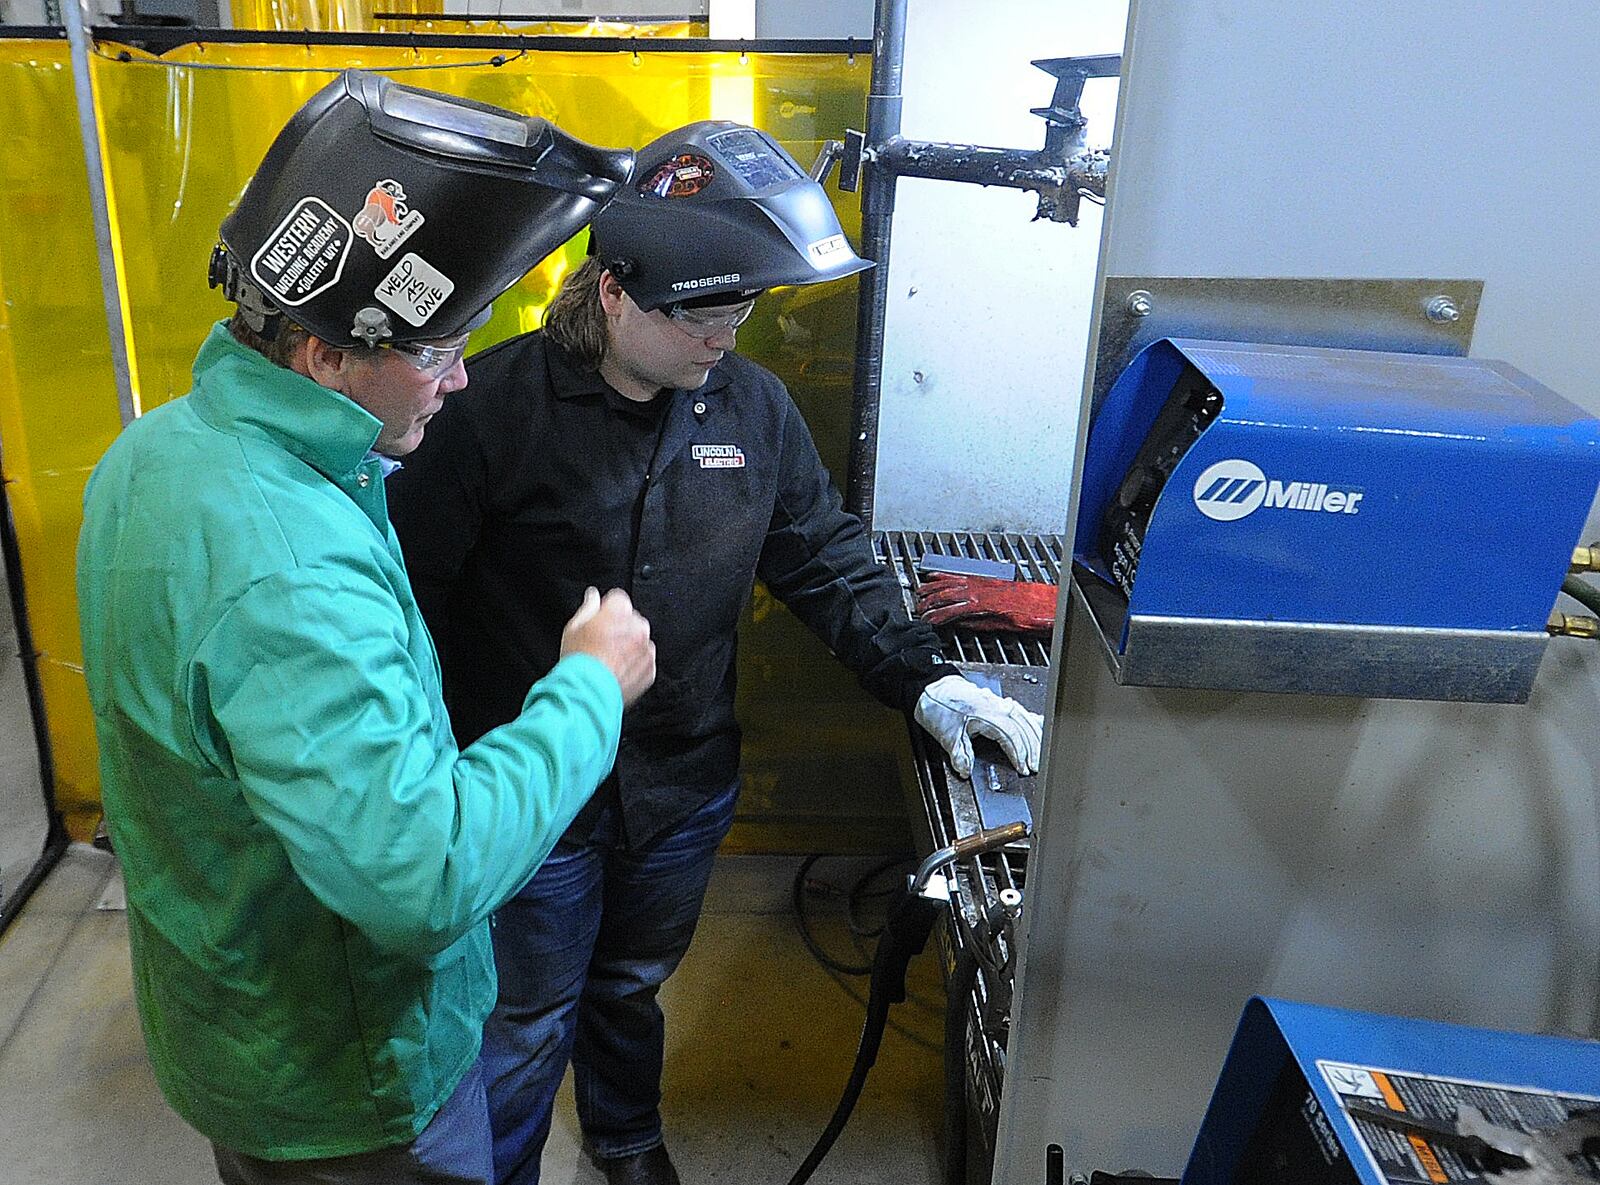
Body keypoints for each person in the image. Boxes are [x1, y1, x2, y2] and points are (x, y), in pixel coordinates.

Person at [387, 120, 1045, 1185]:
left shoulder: (751, 407)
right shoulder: (488, 413)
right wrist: (423, 777)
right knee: (521, 1013)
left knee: (631, 981)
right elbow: (408, 600)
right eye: (698, 314)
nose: (723, 339)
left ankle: (625, 1134)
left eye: (738, 312)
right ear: (611, 292)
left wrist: (923, 679)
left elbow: (821, 557)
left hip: (680, 778)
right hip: (528, 783)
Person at [75, 71, 654, 1185]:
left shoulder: (158, 451)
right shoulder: (286, 565)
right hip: (351, 1087)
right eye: (436, 349)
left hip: (231, 1016)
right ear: (324, 354)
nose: (459, 380)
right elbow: (420, 877)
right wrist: (586, 689)